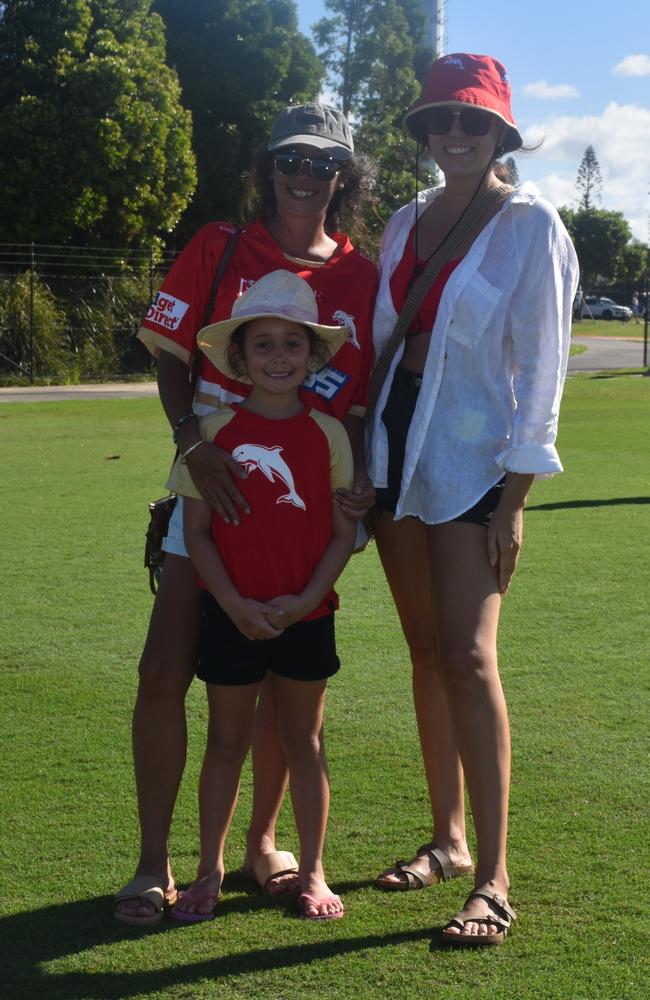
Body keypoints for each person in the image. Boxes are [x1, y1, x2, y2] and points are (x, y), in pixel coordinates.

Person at [113, 104, 377, 926]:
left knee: (284, 695)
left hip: (295, 526)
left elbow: (357, 405)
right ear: (269, 166)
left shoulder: (362, 278)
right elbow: (171, 358)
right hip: (209, 499)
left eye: (322, 162)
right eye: (289, 159)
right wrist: (194, 442)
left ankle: (264, 847)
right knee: (164, 674)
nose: (303, 175)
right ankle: (156, 865)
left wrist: (355, 489)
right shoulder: (218, 244)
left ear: (344, 176)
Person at [365, 53, 578, 945]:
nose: (454, 134)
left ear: (500, 132)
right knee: (423, 651)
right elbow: (378, 337)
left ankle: (492, 877)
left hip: (474, 465)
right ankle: (447, 841)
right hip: (391, 448)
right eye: (439, 122)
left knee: (469, 657)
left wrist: (516, 496)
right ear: (422, 132)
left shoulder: (533, 227)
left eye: (472, 121)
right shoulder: (404, 220)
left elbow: (544, 368)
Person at [166, 271, 355, 921]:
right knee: (226, 743)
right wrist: (235, 604)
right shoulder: (211, 437)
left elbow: (340, 531)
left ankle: (316, 872)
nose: (279, 358)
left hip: (307, 616)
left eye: (292, 345)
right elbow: (196, 534)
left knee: (305, 742)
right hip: (230, 615)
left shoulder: (330, 435)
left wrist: (306, 600)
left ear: (313, 356)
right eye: (264, 346)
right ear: (239, 361)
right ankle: (208, 871)